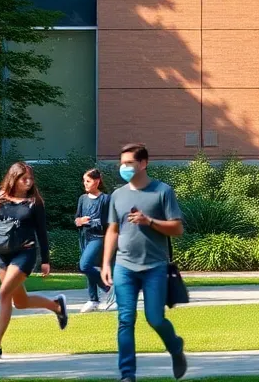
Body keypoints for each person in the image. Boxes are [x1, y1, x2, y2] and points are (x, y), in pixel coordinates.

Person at [100, 143, 187, 382]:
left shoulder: (162, 191)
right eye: (122, 163)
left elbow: (177, 228)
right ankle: (127, 375)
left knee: (155, 318)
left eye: (129, 163)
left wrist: (149, 221)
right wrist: (106, 264)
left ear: (144, 163)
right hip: (124, 267)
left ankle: (176, 348)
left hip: (155, 267)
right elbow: (113, 231)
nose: (124, 167)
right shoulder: (117, 195)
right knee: (125, 319)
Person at [0, 162, 68, 359]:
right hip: (2, 254)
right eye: (23, 178)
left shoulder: (35, 202)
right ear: (14, 178)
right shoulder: (1, 197)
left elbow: (42, 232)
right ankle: (57, 306)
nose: (28, 182)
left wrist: (46, 259)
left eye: (30, 178)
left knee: (4, 293)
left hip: (25, 254)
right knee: (21, 302)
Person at [75, 168, 115, 312]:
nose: (85, 184)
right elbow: (77, 219)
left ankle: (108, 287)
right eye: (84, 181)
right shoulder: (82, 199)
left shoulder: (105, 199)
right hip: (84, 237)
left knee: (84, 265)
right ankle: (93, 300)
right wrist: (79, 221)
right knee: (88, 268)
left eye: (88, 181)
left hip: (99, 238)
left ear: (97, 182)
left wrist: (91, 222)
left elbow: (109, 221)